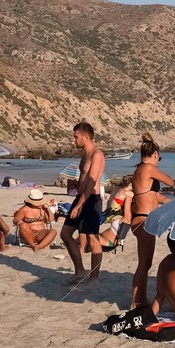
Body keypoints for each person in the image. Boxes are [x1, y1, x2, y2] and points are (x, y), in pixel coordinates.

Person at [130, 132, 175, 308]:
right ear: (155, 154)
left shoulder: (139, 170)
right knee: (144, 264)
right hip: (143, 221)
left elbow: (153, 196)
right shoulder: (148, 168)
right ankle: (135, 302)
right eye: (159, 157)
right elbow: (170, 181)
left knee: (145, 263)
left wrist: (174, 203)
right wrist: (174, 184)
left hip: (140, 219)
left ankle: (140, 300)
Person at [60, 122, 106, 285]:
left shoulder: (97, 155)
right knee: (65, 234)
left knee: (93, 239)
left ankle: (94, 278)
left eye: (76, 137)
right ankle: (80, 270)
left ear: (86, 137)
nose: (74, 140)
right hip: (80, 198)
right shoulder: (84, 155)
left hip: (91, 200)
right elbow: (84, 180)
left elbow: (92, 182)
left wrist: (80, 204)